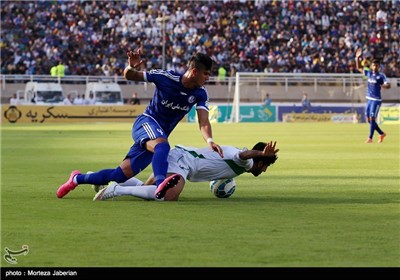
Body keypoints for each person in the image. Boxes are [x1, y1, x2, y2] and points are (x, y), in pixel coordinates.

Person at [56, 49, 223, 200]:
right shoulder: (166, 77)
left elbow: (203, 121)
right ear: (194, 71)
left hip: (157, 135)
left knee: (120, 175)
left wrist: (209, 141)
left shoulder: (200, 94)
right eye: (206, 74)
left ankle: (76, 179)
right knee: (163, 147)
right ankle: (160, 185)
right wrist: (131, 67)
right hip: (146, 123)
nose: (208, 78)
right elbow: (130, 76)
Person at [93, 141, 279, 201]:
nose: (264, 170)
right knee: (168, 196)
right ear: (261, 161)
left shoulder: (236, 160)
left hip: (180, 158)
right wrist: (261, 153)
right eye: (266, 166)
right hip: (182, 162)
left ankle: (106, 181)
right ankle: (116, 190)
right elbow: (245, 156)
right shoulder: (245, 161)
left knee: (146, 187)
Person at [355, 48, 391, 143]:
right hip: (369, 99)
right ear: (371, 66)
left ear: (379, 67)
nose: (375, 67)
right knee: (369, 120)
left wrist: (383, 85)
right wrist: (357, 58)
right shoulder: (369, 73)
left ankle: (370, 138)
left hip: (376, 100)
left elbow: (389, 85)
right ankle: (381, 133)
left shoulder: (381, 76)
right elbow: (359, 68)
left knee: (372, 118)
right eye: (373, 65)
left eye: (377, 65)